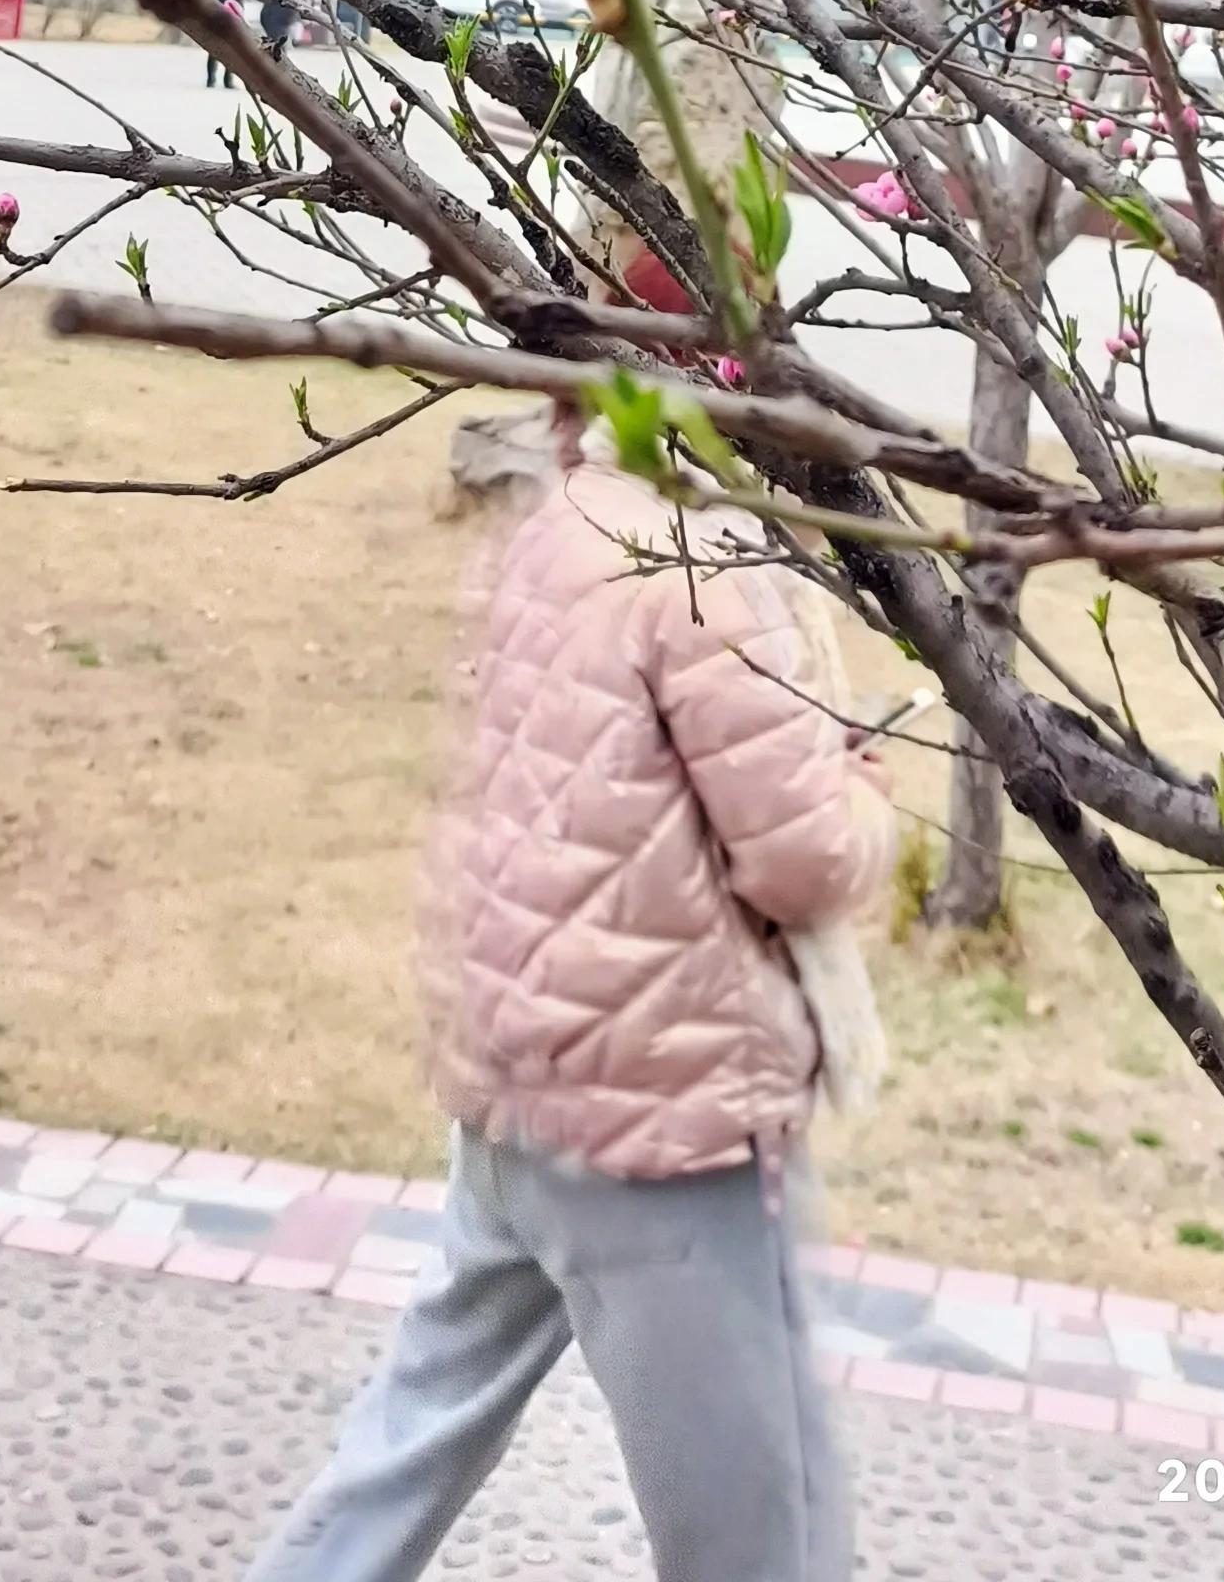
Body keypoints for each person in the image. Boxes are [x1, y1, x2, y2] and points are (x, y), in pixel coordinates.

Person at [250, 410, 893, 1582]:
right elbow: (801, 860)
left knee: (401, 1456)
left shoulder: (552, 522)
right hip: (661, 1123)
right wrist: (861, 791)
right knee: (764, 1539)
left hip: (516, 1084)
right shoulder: (694, 560)